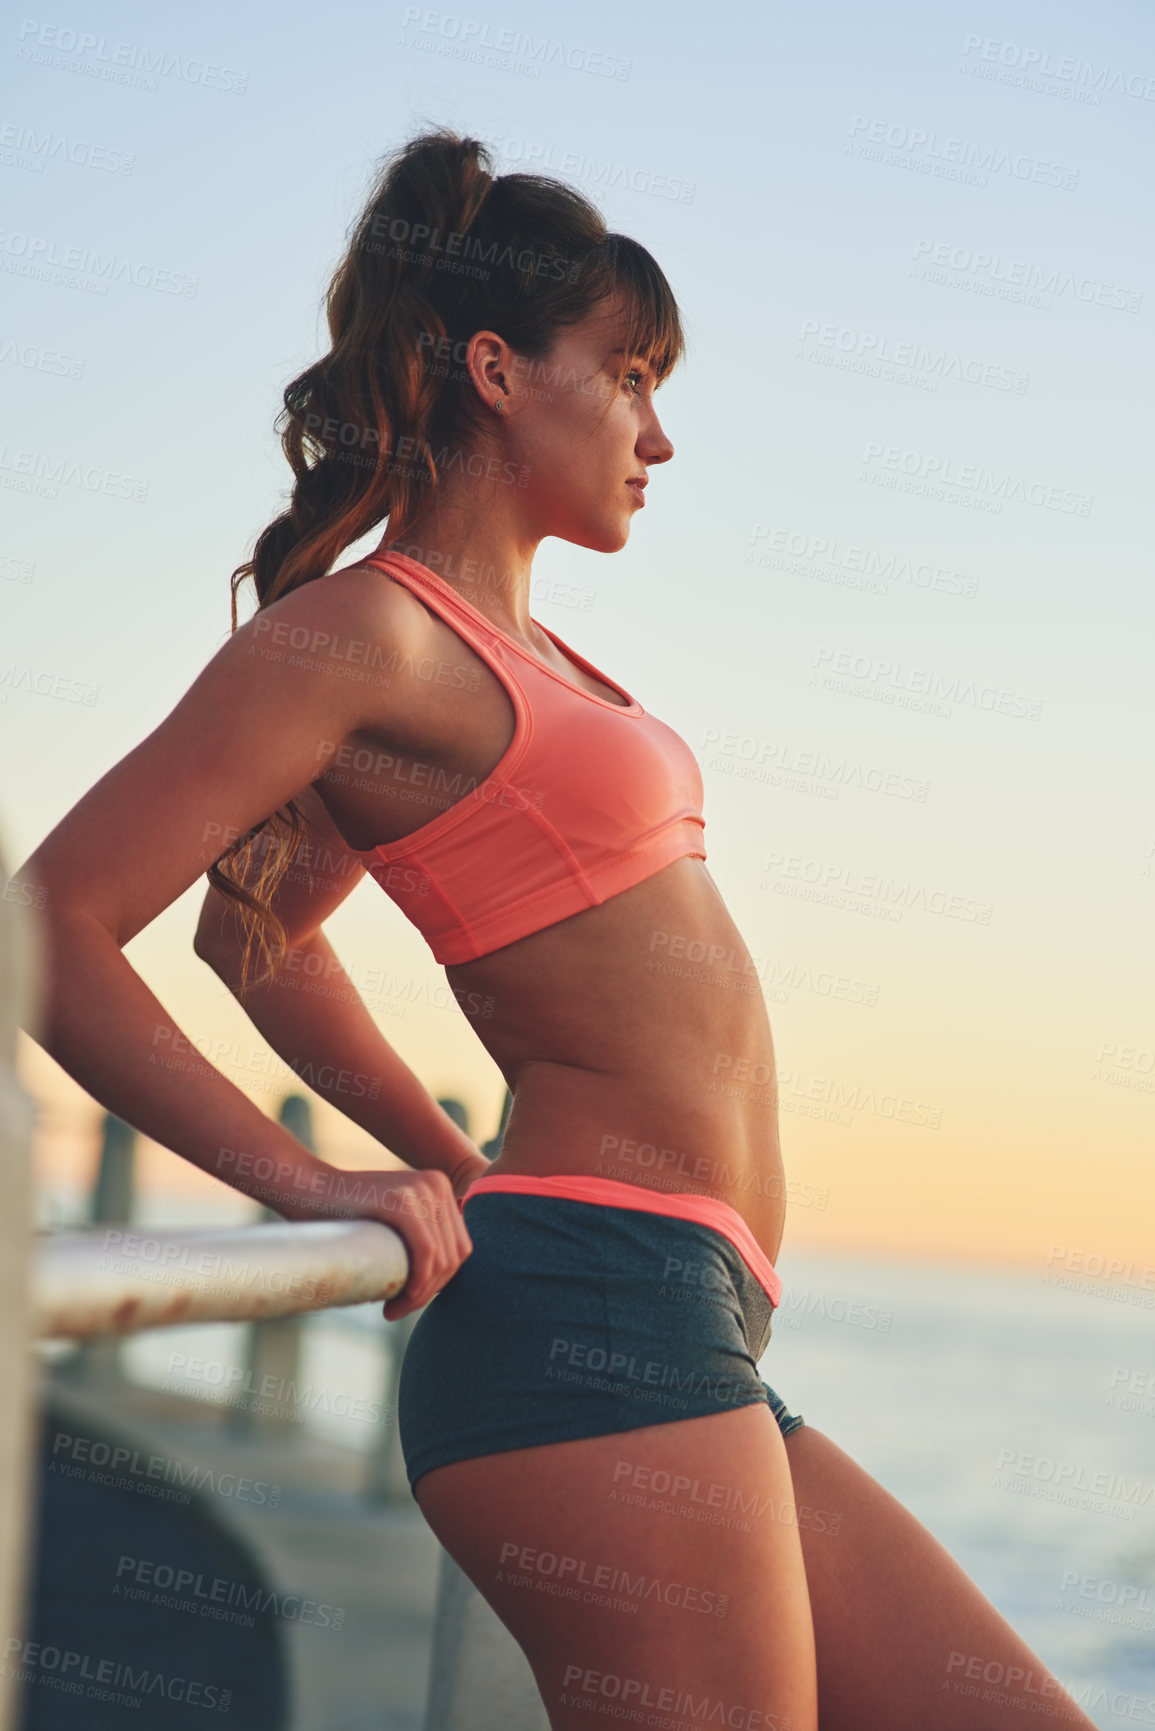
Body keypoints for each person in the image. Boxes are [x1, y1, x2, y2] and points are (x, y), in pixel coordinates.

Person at [20, 129, 1097, 1731]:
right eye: (633, 376)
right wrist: (309, 1178)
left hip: (687, 1314)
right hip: (587, 1323)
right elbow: (56, 925)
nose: (660, 436)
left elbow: (257, 942)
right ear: (499, 370)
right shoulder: (368, 635)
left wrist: (436, 1157)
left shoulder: (523, 659)